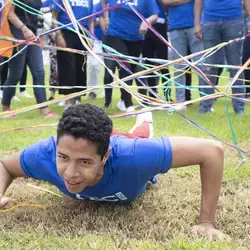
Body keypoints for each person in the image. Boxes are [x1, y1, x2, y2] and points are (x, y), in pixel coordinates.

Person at [0, 103, 227, 240]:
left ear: (105, 157)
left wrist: (206, 223)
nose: (70, 172)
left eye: (85, 162)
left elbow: (212, 151)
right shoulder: (44, 153)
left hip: (129, 145)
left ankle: (145, 118)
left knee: (140, 135)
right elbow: (5, 166)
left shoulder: (134, 156)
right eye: (63, 157)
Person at [1, 0, 58, 117]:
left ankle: (44, 110)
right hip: (17, 33)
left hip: (33, 33)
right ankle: (6, 108)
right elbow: (10, 13)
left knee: (39, 72)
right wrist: (24, 29)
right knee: (15, 74)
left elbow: (35, 10)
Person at [101, 0, 159, 112]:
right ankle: (128, 104)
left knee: (131, 70)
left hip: (136, 37)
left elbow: (155, 15)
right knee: (125, 66)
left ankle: (123, 100)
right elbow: (104, 2)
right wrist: (106, 16)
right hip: (115, 34)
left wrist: (146, 21)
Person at [194, 0, 249, 114]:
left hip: (234, 19)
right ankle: (205, 107)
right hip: (210, 21)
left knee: (236, 67)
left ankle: (239, 108)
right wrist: (197, 23)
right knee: (209, 67)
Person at [52, 0, 94, 108]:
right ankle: (68, 103)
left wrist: (91, 37)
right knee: (68, 68)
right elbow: (54, 16)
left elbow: (91, 19)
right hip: (66, 32)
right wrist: (58, 34)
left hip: (82, 34)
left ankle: (75, 100)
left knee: (80, 68)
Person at [163, 0, 204, 111]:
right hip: (175, 27)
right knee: (178, 67)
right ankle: (180, 102)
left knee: (201, 66)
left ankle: (205, 102)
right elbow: (165, 2)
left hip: (195, 26)